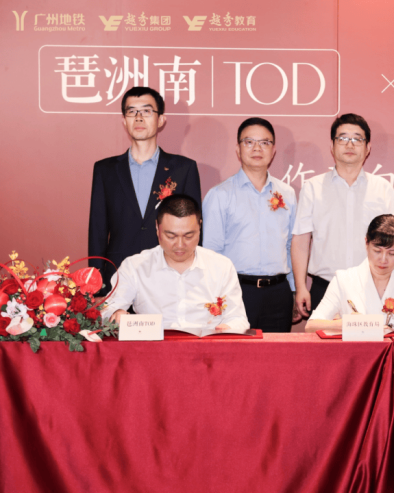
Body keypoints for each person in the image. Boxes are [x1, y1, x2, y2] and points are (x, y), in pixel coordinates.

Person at [89, 86, 201, 296]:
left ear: (161, 120)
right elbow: (97, 230)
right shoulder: (105, 170)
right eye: (132, 111)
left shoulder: (183, 169)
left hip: (170, 276)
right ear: (124, 121)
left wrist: (192, 278)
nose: (138, 117)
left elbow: (194, 228)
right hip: (117, 276)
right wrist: (95, 284)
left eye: (147, 111)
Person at [292, 114, 394, 318]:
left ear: (368, 147)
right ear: (332, 146)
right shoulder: (313, 188)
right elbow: (301, 240)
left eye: (357, 139)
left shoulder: (383, 189)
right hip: (325, 287)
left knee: (373, 340)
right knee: (323, 340)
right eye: (342, 138)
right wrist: (301, 287)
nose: (350, 144)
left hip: (373, 287)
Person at [102, 194, 249, 333]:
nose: (180, 245)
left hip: (206, 348)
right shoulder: (135, 267)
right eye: (171, 236)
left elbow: (238, 319)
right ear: (157, 228)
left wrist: (226, 328)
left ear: (199, 227)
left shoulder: (221, 266)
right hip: (153, 347)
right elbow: (107, 310)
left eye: (188, 236)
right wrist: (116, 313)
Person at [202, 117, 297, 332]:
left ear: (273, 150)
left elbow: (290, 246)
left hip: (278, 293)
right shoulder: (219, 195)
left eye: (264, 142)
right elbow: (211, 253)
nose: (257, 148)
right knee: (235, 353)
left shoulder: (288, 194)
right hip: (236, 292)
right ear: (238, 149)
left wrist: (293, 290)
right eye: (249, 142)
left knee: (278, 352)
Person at [305, 215, 394, 332]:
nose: (383, 259)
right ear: (366, 243)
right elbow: (311, 326)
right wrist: (347, 324)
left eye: (392, 253)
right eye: (377, 251)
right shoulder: (344, 279)